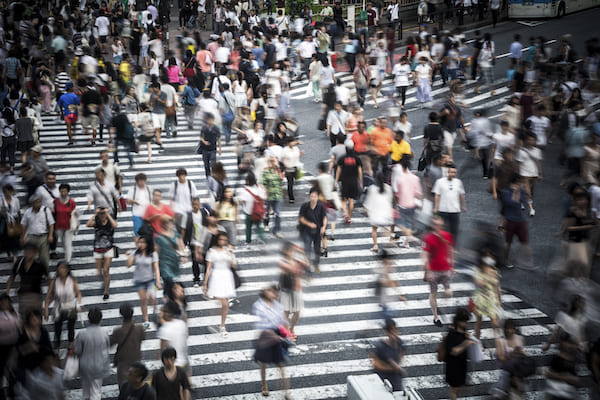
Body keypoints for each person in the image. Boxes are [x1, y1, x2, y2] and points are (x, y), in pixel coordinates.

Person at [252, 285, 291, 398]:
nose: (275, 294)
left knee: (280, 364)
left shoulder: (278, 305)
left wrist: (285, 332)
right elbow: (261, 325)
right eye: (272, 292)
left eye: (275, 293)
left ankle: (286, 392)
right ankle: (264, 384)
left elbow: (283, 321)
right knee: (263, 363)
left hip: (277, 336)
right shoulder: (259, 306)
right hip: (265, 337)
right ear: (266, 292)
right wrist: (274, 334)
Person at [423, 216, 454, 327]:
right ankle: (436, 317)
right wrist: (427, 270)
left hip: (445, 268)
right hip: (433, 271)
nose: (438, 226)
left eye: (439, 224)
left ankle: (442, 308)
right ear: (432, 225)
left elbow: (450, 250)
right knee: (433, 293)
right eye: (435, 224)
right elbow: (425, 256)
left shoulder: (447, 236)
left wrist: (452, 265)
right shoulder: (428, 238)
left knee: (448, 292)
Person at [204, 232, 237, 337]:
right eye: (221, 239)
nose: (223, 242)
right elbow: (208, 268)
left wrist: (231, 253)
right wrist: (205, 283)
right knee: (223, 303)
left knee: (225, 302)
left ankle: (222, 324)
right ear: (217, 240)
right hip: (216, 276)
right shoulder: (211, 251)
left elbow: (233, 265)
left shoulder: (228, 250)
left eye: (225, 240)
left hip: (227, 276)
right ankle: (219, 324)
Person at [73, 307, 110, 400]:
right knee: (96, 390)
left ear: (89, 319)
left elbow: (77, 351)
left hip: (85, 365)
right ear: (100, 319)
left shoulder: (82, 334)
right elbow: (107, 348)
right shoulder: (104, 333)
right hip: (99, 365)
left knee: (86, 390)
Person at [44, 260, 81, 350]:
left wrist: (79, 304)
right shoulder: (54, 281)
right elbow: (49, 296)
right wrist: (46, 309)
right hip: (58, 307)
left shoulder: (72, 280)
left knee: (71, 327)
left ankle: (70, 344)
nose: (62, 270)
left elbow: (78, 293)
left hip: (71, 306)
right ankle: (57, 347)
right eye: (60, 268)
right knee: (57, 329)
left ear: (68, 269)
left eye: (64, 268)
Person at [5, 242, 47, 317]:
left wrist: (48, 298)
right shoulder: (19, 263)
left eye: (30, 251)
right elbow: (12, 277)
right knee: (24, 319)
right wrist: (7, 292)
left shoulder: (39, 265)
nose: (28, 253)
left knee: (36, 319)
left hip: (36, 296)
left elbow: (49, 279)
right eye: (26, 251)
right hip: (23, 295)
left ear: (34, 253)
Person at [127, 236, 161, 329]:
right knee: (143, 300)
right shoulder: (136, 253)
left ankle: (154, 308)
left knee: (152, 297)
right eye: (140, 242)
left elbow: (156, 268)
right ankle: (146, 320)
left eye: (143, 242)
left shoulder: (152, 254)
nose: (141, 244)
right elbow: (128, 265)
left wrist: (158, 281)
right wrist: (129, 256)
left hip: (150, 280)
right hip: (139, 280)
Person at [501, 175, 533, 268]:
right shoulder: (505, 192)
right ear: (513, 183)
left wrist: (523, 191)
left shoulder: (521, 191)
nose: (521, 185)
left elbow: (525, 199)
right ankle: (506, 260)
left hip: (520, 220)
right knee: (508, 243)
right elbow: (512, 203)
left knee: (525, 241)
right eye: (519, 183)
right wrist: (515, 192)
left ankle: (529, 262)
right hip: (510, 221)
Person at [110, 303, 146, 387]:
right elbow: (143, 338)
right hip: (136, 361)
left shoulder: (118, 331)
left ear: (121, 314)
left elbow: (110, 343)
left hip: (123, 364)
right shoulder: (140, 328)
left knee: (124, 387)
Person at [443, 307, 474, 400]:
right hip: (453, 366)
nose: (466, 323)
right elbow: (453, 351)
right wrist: (466, 343)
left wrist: (468, 338)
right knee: (454, 390)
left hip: (461, 364)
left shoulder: (462, 329)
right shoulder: (452, 333)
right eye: (464, 321)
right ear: (458, 321)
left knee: (456, 388)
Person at [87, 207, 117, 300]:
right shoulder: (97, 223)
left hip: (108, 248)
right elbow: (87, 224)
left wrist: (108, 214)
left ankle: (106, 291)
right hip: (98, 248)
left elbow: (115, 225)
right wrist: (95, 215)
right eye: (101, 214)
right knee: (99, 272)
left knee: (106, 270)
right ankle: (104, 281)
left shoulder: (110, 223)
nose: (102, 216)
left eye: (104, 214)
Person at [20, 194, 54, 271]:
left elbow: (51, 223)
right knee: (32, 257)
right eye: (37, 202)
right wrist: (23, 237)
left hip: (43, 237)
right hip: (31, 237)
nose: (39, 204)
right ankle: (33, 274)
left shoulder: (46, 210)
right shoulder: (28, 212)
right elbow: (24, 225)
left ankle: (45, 273)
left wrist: (50, 235)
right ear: (32, 203)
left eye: (40, 202)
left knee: (44, 257)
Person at [370, 319, 406, 392]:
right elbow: (376, 364)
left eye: (395, 331)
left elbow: (401, 355)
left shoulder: (399, 342)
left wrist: (396, 365)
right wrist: (392, 368)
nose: (394, 334)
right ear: (387, 332)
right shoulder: (380, 346)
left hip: (396, 378)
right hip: (382, 379)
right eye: (391, 332)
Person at [298, 187, 327, 274]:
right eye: (311, 196)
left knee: (317, 249)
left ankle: (316, 265)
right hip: (306, 231)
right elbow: (301, 218)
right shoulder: (305, 206)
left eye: (314, 196)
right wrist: (309, 224)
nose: (313, 198)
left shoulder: (321, 206)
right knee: (307, 249)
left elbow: (324, 217)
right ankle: (307, 266)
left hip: (317, 231)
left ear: (318, 197)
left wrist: (323, 227)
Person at [432, 164, 466, 239]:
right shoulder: (440, 182)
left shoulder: (458, 182)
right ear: (447, 172)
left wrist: (463, 205)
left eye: (454, 172)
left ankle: (452, 246)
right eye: (451, 172)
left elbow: (461, 194)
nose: (452, 174)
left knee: (454, 229)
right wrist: (436, 207)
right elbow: (437, 195)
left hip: (455, 210)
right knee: (443, 228)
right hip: (443, 209)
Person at [472, 255, 502, 339]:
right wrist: (488, 275)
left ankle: (498, 341)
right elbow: (480, 284)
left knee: (495, 323)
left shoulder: (494, 271)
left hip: (492, 299)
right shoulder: (478, 271)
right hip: (481, 299)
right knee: (479, 322)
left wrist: (499, 300)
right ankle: (477, 341)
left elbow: (497, 286)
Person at [364, 172, 393, 252]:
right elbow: (390, 200)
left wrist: (366, 209)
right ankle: (391, 237)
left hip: (376, 212)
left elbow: (369, 201)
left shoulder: (372, 188)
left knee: (374, 229)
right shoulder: (388, 188)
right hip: (386, 212)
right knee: (384, 227)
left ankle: (375, 245)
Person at [157, 301, 189, 372]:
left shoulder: (164, 330)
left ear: (168, 313)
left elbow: (162, 350)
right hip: (183, 362)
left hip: (171, 366)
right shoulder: (181, 324)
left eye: (164, 311)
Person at [237, 172, 267, 248]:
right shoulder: (259, 188)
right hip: (258, 212)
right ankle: (263, 239)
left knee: (248, 228)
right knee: (259, 227)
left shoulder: (244, 190)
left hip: (248, 212)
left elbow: (242, 201)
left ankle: (248, 243)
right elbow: (264, 197)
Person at [335, 144, 363, 224]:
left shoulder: (342, 158)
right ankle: (349, 217)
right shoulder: (357, 159)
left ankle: (345, 213)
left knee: (343, 199)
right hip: (354, 181)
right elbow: (360, 171)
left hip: (345, 181)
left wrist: (336, 181)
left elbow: (338, 170)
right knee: (351, 200)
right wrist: (360, 181)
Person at [53, 183, 77, 263]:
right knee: (63, 242)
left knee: (67, 243)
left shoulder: (71, 202)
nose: (63, 193)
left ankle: (67, 260)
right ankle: (66, 255)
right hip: (59, 225)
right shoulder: (55, 201)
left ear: (68, 192)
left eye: (65, 191)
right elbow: (53, 210)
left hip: (69, 225)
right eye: (62, 191)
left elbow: (75, 213)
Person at [126, 173, 152, 241]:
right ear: (136, 181)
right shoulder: (133, 189)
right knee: (138, 233)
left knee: (148, 233)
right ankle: (138, 249)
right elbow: (127, 201)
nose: (141, 182)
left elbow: (153, 200)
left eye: (143, 180)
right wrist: (133, 201)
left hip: (147, 215)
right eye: (140, 181)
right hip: (137, 214)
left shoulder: (149, 188)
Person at [198, 112, 222, 178]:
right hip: (205, 149)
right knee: (206, 164)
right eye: (209, 120)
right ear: (207, 120)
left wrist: (220, 148)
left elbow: (219, 138)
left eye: (212, 120)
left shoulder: (216, 128)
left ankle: (214, 175)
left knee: (213, 163)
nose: (210, 121)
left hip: (213, 148)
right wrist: (204, 142)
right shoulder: (204, 128)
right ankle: (208, 176)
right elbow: (201, 137)